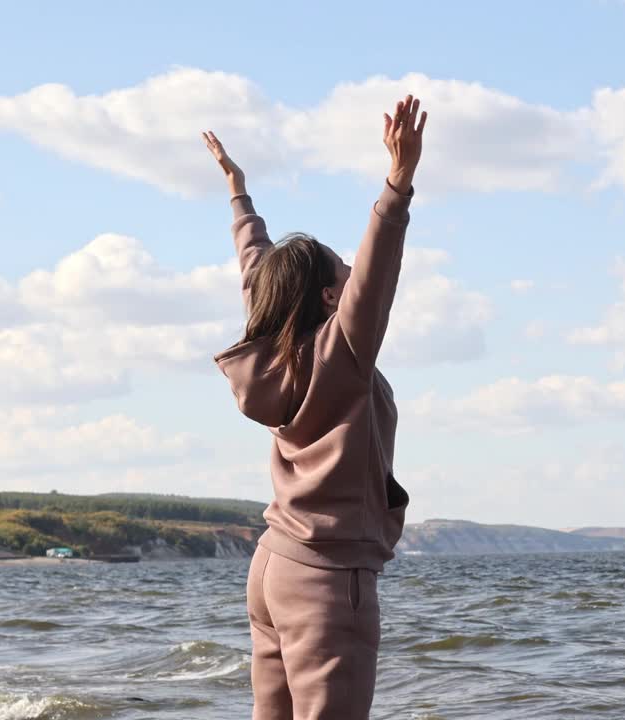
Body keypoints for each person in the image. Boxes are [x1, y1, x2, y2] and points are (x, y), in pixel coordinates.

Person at [202, 93, 427, 720]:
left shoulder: (271, 354)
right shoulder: (341, 357)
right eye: (342, 272)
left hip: (273, 568)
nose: (353, 272)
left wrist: (239, 197)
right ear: (331, 297)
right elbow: (375, 278)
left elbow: (258, 268)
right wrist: (397, 186)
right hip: (328, 580)